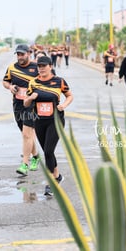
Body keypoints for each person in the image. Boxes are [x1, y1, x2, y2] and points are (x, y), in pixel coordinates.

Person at [23, 56, 74, 196]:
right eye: (39, 66)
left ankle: (50, 182)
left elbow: (70, 96)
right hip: (39, 121)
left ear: (50, 66)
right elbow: (25, 104)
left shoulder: (59, 81)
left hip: (55, 120)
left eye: (44, 66)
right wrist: (30, 98)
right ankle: (57, 176)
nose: (41, 68)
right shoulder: (33, 83)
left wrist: (63, 105)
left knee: (48, 151)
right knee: (47, 151)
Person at [2, 44, 42, 176]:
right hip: (18, 104)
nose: (20, 57)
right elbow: (5, 81)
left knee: (26, 134)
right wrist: (10, 87)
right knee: (26, 134)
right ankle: (35, 156)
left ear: (29, 53)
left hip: (32, 106)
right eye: (18, 54)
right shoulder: (12, 68)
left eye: (22, 54)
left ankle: (25, 164)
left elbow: (48, 80)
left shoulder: (37, 67)